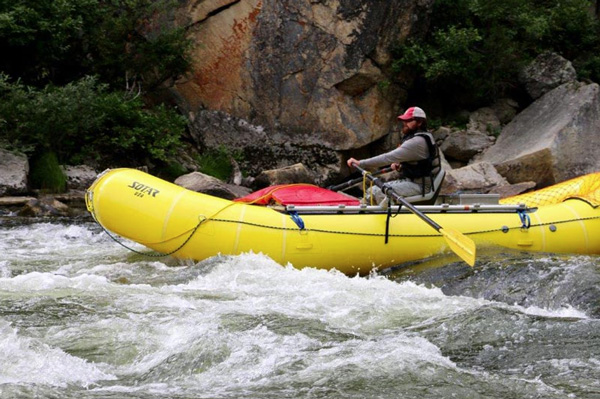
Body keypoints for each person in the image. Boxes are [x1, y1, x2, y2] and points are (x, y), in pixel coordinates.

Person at [346, 106, 442, 204]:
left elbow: (387, 158)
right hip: (414, 182)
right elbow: (419, 163)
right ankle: (362, 211)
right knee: (371, 191)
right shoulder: (420, 137)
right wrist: (401, 166)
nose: (404, 123)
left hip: (420, 187)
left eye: (409, 120)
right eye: (404, 120)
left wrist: (360, 163)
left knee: (376, 191)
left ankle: (381, 216)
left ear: (419, 122)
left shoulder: (417, 142)